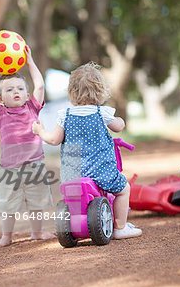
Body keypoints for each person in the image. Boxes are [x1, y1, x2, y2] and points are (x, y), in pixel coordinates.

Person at [32, 61, 142, 240]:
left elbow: (53, 139)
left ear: (71, 92)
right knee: (123, 189)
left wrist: (40, 131)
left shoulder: (64, 115)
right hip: (101, 171)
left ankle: (69, 224)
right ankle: (121, 227)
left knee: (70, 198)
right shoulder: (102, 112)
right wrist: (120, 120)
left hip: (73, 173)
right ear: (100, 91)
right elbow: (118, 126)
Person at [0, 45, 54, 247]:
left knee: (37, 201)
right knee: (6, 203)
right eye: (10, 89)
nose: (16, 92)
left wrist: (30, 62)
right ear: (0, 98)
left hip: (34, 165)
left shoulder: (32, 108)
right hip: (9, 168)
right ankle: (7, 236)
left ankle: (37, 232)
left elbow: (39, 87)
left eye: (20, 89)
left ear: (26, 93)